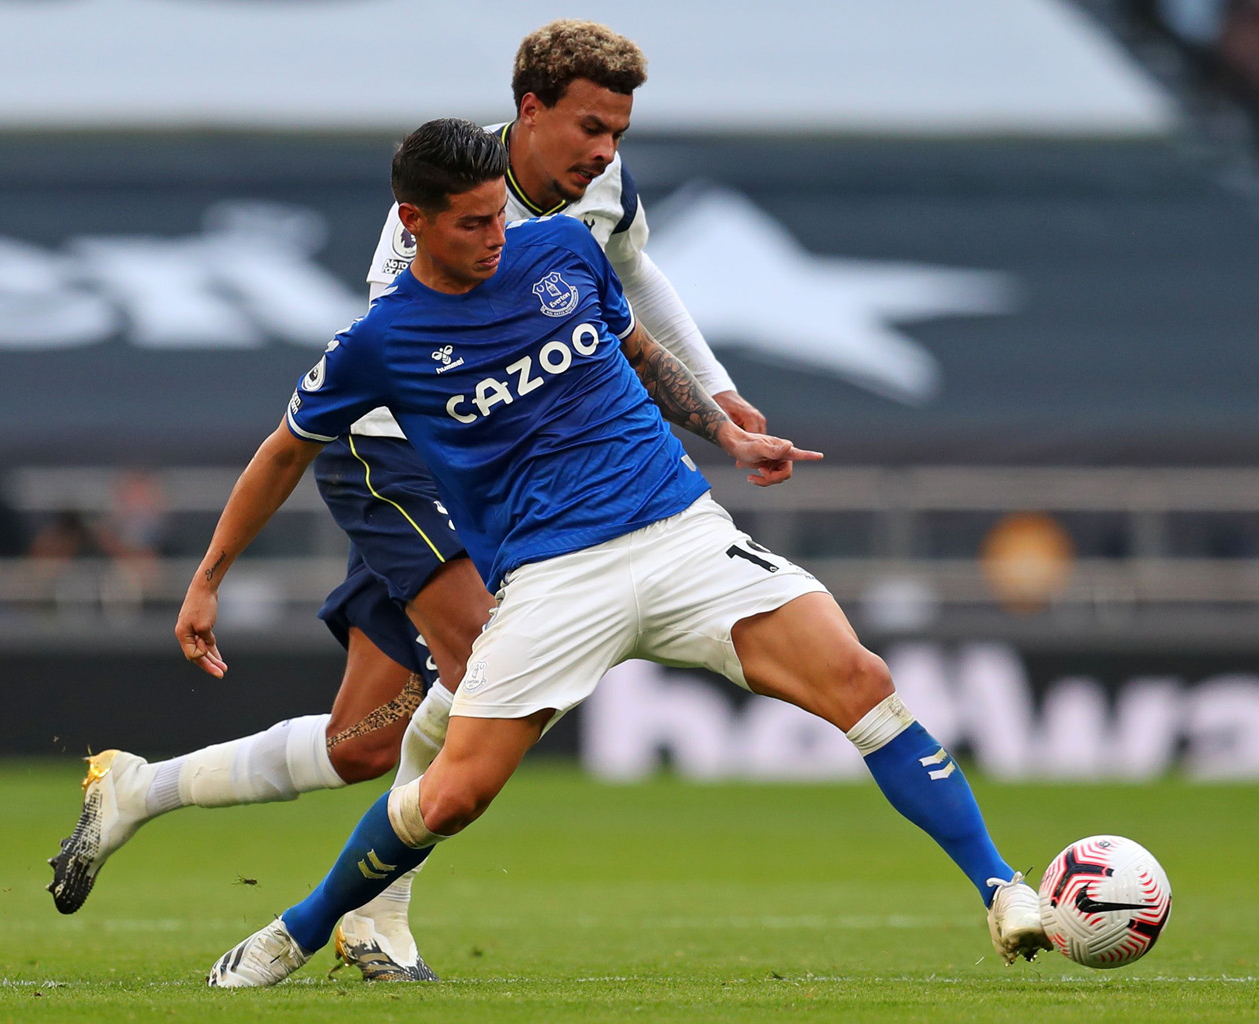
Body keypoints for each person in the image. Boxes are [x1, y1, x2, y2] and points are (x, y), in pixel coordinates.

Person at [187, 118, 1050, 988]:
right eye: (472, 224)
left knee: (860, 679)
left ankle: (1001, 887)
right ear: (413, 221)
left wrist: (725, 432)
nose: (495, 238)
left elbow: (638, 348)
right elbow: (282, 454)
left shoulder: (563, 247)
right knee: (452, 798)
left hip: (681, 534)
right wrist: (208, 580)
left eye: (498, 216)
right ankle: (296, 933)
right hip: (553, 580)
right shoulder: (379, 342)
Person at [46, 19, 763, 982]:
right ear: (530, 112)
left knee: (363, 744)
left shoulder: (603, 195)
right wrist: (209, 575)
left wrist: (715, 392)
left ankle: (138, 789)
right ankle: (376, 916)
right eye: (590, 127)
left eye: (618, 133)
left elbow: (637, 279)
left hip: (493, 473)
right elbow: (403, 362)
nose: (605, 152)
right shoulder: (438, 209)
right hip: (403, 461)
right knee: (491, 667)